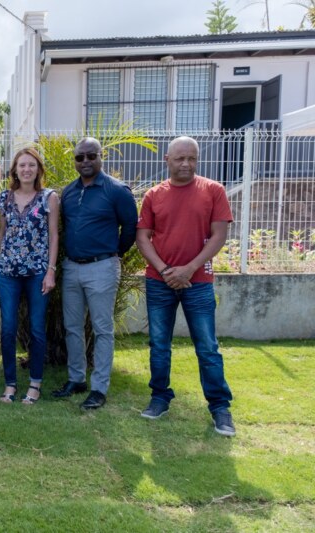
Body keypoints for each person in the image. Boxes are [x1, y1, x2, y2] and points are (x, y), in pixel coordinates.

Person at [135, 136, 236, 437]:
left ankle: (220, 407)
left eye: (191, 158)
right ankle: (159, 397)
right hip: (159, 281)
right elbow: (143, 237)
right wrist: (166, 270)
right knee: (159, 345)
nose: (186, 164)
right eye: (180, 158)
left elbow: (219, 235)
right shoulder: (154, 195)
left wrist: (189, 268)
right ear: (167, 159)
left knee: (207, 347)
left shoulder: (213, 190)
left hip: (198, 281)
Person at [52, 137, 138, 410]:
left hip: (102, 267)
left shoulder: (116, 191)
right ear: (75, 161)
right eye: (80, 158)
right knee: (72, 327)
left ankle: (99, 388)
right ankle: (77, 379)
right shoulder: (68, 192)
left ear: (101, 157)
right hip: (72, 267)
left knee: (102, 329)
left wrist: (114, 254)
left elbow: (131, 228)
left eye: (91, 156)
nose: (86, 162)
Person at [0, 147, 59, 404]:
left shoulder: (49, 198)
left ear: (38, 169)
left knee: (36, 328)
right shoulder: (4, 198)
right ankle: (10, 384)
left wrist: (50, 271)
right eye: (22, 165)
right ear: (15, 170)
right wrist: (3, 256)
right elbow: (2, 232)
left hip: (37, 273)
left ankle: (35, 384)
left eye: (31, 165)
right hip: (8, 272)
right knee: (8, 328)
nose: (26, 169)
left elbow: (54, 235)